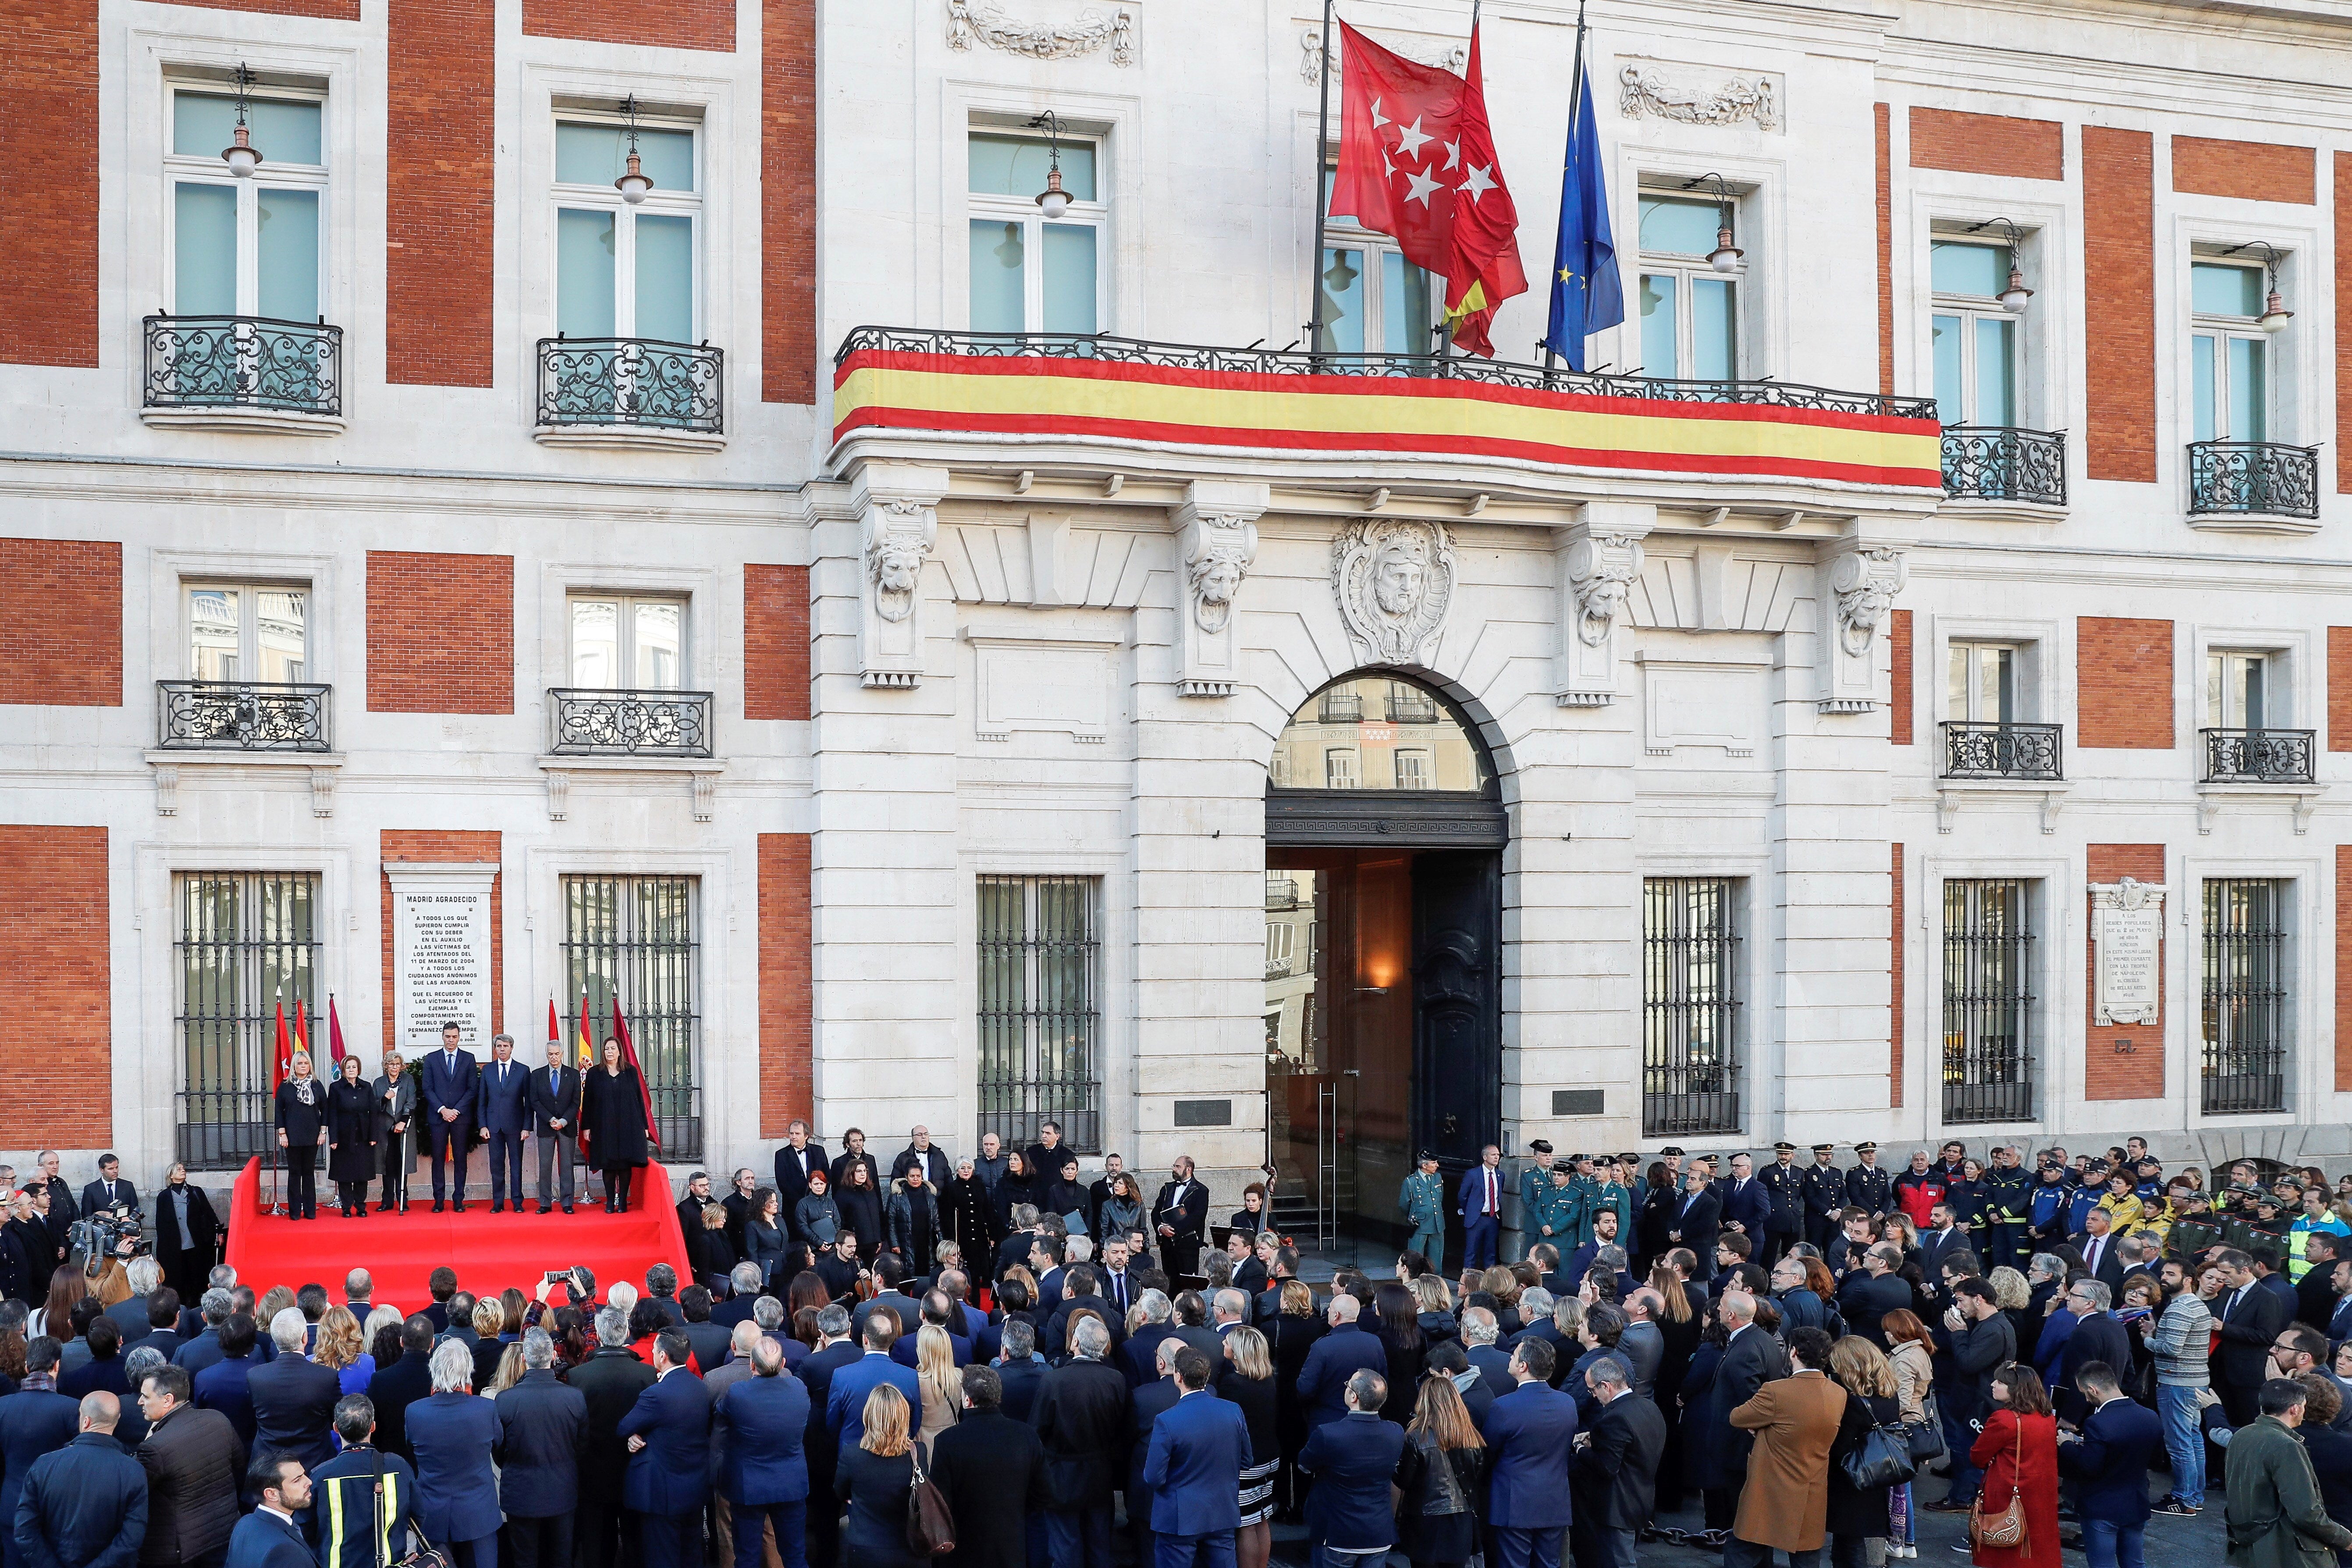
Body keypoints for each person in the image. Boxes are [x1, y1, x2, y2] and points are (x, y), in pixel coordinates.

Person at [1721, 1326, 1843, 1568]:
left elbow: (1738, 1417)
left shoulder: (1776, 1391)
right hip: (1811, 1487)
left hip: (1770, 1488)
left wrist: (1763, 1427)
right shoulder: (1838, 1393)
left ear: (1793, 1352)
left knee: (1742, 1550)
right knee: (1806, 1557)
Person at [927, 1363, 1045, 1568]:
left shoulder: (947, 1441)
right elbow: (1044, 1494)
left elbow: (940, 1503)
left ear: (967, 1400)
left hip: (963, 1551)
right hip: (1010, 1547)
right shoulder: (1026, 1436)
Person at [1142, 1347, 1251, 1568]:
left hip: (1180, 1517)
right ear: (1206, 1376)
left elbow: (1154, 1477)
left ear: (1178, 1377)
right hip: (1221, 1511)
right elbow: (1246, 1461)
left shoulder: (1167, 1421)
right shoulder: (1233, 1411)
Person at [1033, 1316, 1129, 1568]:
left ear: (1075, 1342)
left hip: (1061, 1477)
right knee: (1100, 1545)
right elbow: (1123, 1429)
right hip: (1100, 1476)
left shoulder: (1053, 1381)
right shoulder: (1116, 1380)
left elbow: (1037, 1430)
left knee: (1065, 1547)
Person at [13, 1389, 147, 1568]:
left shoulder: (44, 1464)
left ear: (86, 1421)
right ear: (116, 1420)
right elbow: (131, 1538)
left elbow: (25, 1531)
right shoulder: (134, 1471)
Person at [2226, 1378, 2352, 1568]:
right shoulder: (2287, 1447)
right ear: (2295, 1409)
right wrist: (2345, 1538)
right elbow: (2306, 1512)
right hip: (2281, 1553)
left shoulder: (2243, 1435)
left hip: (2248, 1548)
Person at [490, 1328, 586, 1568]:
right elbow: (581, 1448)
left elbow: (499, 1451)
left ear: (524, 1358)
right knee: (561, 1558)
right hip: (562, 1491)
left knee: (525, 1560)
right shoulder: (574, 1398)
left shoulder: (506, 1400)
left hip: (521, 1494)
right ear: (554, 1356)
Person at [711, 1337, 809, 1568]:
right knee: (795, 1556)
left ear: (752, 1365)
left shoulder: (738, 1393)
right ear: (783, 1363)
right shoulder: (798, 1388)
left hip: (749, 1488)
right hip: (790, 1485)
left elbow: (720, 1414)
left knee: (747, 1557)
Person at [133, 1362, 242, 1568]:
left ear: (168, 1400)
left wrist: (150, 1439)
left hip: (183, 1549)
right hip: (225, 1532)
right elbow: (239, 1466)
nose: (140, 1402)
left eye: (146, 1397)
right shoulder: (218, 1419)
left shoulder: (155, 1448)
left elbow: (135, 1487)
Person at [1481, 1338, 1577, 1568]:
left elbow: (1488, 1452)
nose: (1511, 1358)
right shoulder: (1568, 1403)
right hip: (1554, 1501)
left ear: (1523, 1366)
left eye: (1514, 1355)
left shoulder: (1504, 1406)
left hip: (1514, 1503)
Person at [405, 1341, 501, 1568]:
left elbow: (412, 1449)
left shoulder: (415, 1411)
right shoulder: (486, 1409)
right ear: (468, 1371)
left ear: (434, 1370)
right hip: (479, 1515)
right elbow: (499, 1445)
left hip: (433, 1514)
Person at [1296, 1369, 1405, 1565]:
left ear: (1353, 1396)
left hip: (1338, 1534)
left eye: (1348, 1385)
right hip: (1379, 1533)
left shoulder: (1328, 1434)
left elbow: (1304, 1466)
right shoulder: (1396, 1432)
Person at [2057, 1360, 2160, 1568]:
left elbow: (2089, 1466)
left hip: (2101, 1507)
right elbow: (2154, 1459)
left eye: (2085, 1393)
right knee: (2135, 1563)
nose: (2085, 1398)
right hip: (2136, 1503)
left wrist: (2067, 1445)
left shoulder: (2098, 1423)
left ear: (2093, 1390)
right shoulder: (2150, 1417)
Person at [1568, 1353, 1663, 1568]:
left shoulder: (1614, 1419)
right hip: (1642, 1500)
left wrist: (1579, 1447)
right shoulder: (1650, 1408)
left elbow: (1606, 1467)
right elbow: (1634, 1448)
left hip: (1616, 1509)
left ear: (1606, 1386)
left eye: (1593, 1390)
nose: (1592, 1395)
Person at [1966, 1364, 2060, 1568]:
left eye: (2001, 1382)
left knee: (2003, 1551)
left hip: (2007, 1490)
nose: (1993, 1385)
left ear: (2015, 1389)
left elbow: (1978, 1456)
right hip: (2040, 1492)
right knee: (2036, 1549)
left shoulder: (2004, 1419)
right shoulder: (2047, 1418)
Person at [1824, 1337, 1901, 1568]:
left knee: (1850, 1539)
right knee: (1853, 1536)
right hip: (1877, 1471)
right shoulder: (1889, 1394)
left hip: (1850, 1478)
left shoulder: (1852, 1401)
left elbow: (1841, 1447)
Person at [833, 1384, 920, 1568]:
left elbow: (840, 1491)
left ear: (869, 1417)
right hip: (910, 1546)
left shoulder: (852, 1455)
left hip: (866, 1548)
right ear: (904, 1417)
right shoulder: (918, 1453)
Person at [244, 1311, 337, 1472]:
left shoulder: (255, 1376)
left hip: (270, 1467)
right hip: (314, 1464)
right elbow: (335, 1418)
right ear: (305, 1338)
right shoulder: (326, 1376)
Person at [580, 1039, 651, 1213]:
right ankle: (610, 1202)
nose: (609, 1052)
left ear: (619, 1051)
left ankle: (623, 1203)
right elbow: (587, 1102)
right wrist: (586, 1127)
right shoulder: (595, 1073)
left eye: (613, 1048)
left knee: (625, 1164)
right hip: (603, 1126)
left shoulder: (630, 1071)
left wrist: (644, 1125)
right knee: (609, 1163)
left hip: (628, 1125)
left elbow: (639, 1099)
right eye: (606, 1049)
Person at [419, 1023, 480, 1213]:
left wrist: (456, 1110)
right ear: (442, 1037)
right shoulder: (432, 1059)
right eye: (448, 1036)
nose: (451, 1040)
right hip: (438, 1117)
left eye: (454, 1037)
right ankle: (439, 1200)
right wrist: (443, 1109)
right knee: (438, 1159)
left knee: (461, 1159)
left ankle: (458, 1200)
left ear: (459, 1037)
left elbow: (472, 1089)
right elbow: (427, 1088)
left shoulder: (468, 1059)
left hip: (460, 1117)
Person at [472, 1034, 530, 1215]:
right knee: (496, 1166)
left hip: (516, 1127)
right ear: (495, 1049)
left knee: (516, 1166)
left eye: (505, 1046)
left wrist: (527, 1127)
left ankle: (517, 1202)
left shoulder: (523, 1070)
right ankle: (498, 1202)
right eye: (499, 1046)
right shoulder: (488, 1070)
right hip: (493, 1127)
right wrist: (483, 1125)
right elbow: (481, 1101)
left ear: (512, 1048)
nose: (502, 1049)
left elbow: (528, 1102)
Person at [149, 1169, 220, 1309]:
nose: (183, 1170)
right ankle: (179, 1309)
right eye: (179, 1169)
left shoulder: (196, 1192)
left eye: (183, 1169)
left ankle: (198, 1308)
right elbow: (161, 1225)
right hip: (174, 1248)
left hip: (195, 1245)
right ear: (171, 1175)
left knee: (197, 1280)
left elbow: (209, 1213)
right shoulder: (164, 1197)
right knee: (176, 1281)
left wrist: (218, 1232)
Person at [222, 1457, 311, 1568]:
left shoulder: (245, 1523)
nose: (309, 1482)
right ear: (272, 1494)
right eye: (297, 1480)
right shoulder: (284, 1550)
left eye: (304, 1475)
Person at [271, 1052, 329, 1222]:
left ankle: (311, 1211)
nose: (303, 1066)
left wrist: (323, 1132)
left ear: (310, 1065)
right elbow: (278, 1112)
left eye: (306, 1063)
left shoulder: (317, 1086)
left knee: (309, 1173)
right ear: (294, 1067)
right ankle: (295, 1211)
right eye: (299, 1064)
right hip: (292, 1137)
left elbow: (325, 1109)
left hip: (313, 1136)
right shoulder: (285, 1086)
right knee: (295, 1173)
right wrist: (282, 1134)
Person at [320, 1054, 377, 1220]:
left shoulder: (366, 1087)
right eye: (348, 1067)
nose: (351, 1070)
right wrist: (334, 1138)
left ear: (358, 1069)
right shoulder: (336, 1088)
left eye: (354, 1067)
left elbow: (373, 1112)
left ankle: (361, 1206)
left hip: (363, 1135)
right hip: (344, 1136)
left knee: (362, 1172)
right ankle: (346, 1206)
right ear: (343, 1071)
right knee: (344, 1173)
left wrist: (373, 1135)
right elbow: (333, 1114)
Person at [372, 1052, 419, 1213]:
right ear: (386, 1066)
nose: (395, 1067)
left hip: (403, 1128)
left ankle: (403, 1200)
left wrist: (403, 1121)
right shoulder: (379, 1083)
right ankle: (387, 1201)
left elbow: (411, 1102)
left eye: (398, 1064)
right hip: (385, 1129)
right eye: (391, 1064)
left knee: (402, 1164)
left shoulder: (408, 1080)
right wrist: (385, 1098)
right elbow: (373, 1106)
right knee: (387, 1165)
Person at [1154, 1158, 1210, 1279]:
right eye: (1174, 1166)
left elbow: (1197, 1217)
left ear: (1188, 1169)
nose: (1174, 1169)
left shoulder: (1201, 1191)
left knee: (1187, 1284)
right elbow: (1155, 1212)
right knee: (1169, 1283)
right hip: (1167, 1246)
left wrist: (1173, 1230)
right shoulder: (1167, 1189)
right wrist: (1161, 1228)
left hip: (1188, 1246)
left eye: (1178, 1167)